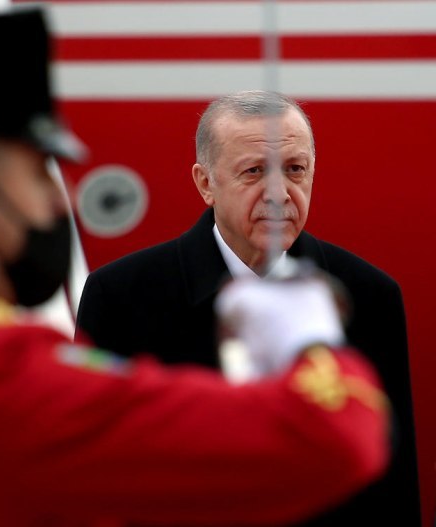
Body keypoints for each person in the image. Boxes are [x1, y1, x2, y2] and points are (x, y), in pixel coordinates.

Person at [0, 13, 391, 527]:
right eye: (39, 172)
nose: (58, 200)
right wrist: (309, 337)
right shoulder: (8, 388)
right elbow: (334, 437)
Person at [76, 91, 421, 526]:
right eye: (254, 171)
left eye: (295, 169)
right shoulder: (120, 295)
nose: (278, 194)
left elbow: (391, 482)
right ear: (206, 183)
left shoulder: (367, 294)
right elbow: (96, 475)